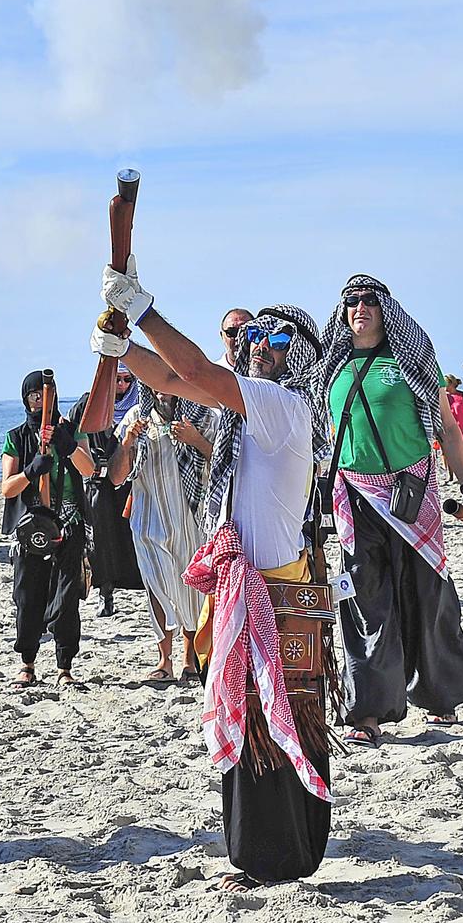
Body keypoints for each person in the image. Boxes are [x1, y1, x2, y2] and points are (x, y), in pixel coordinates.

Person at [95, 282, 333, 892]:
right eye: (253, 336)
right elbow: (174, 384)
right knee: (249, 719)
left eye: (276, 338)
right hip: (247, 590)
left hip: (273, 592)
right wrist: (119, 347)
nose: (260, 346)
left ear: (301, 355)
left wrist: (143, 310)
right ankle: (261, 855)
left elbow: (194, 367)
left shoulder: (283, 407)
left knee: (274, 724)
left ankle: (279, 859)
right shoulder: (248, 412)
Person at [315, 274, 463, 744]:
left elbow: (447, 428)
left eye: (369, 300)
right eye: (351, 301)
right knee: (365, 600)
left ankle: (439, 697)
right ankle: (368, 711)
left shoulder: (408, 361)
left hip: (412, 492)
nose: (359, 307)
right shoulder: (331, 367)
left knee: (427, 596)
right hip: (354, 496)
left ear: (386, 309)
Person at [108, 381, 210, 683]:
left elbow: (220, 460)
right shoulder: (135, 418)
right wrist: (127, 442)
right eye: (157, 384)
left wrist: (194, 440)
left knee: (192, 590)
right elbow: (116, 477)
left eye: (170, 382)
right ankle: (163, 660)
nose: (164, 391)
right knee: (157, 588)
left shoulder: (202, 415)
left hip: (190, 519)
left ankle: (189, 658)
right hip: (149, 521)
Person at [1, 370, 93, 688]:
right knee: (28, 595)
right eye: (35, 397)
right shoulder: (16, 436)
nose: (41, 402)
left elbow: (89, 468)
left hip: (69, 523)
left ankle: (65, 666)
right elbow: (8, 488)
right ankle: (27, 663)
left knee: (67, 596)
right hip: (32, 528)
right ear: (26, 399)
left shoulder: (71, 431)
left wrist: (67, 446)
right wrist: (30, 471)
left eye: (46, 396)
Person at [79, 365, 145, 617]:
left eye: (128, 379)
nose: (122, 385)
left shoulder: (141, 404)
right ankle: (105, 594)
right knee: (102, 540)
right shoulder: (90, 403)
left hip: (132, 479)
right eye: (116, 379)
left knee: (136, 536)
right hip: (100, 484)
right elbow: (76, 436)